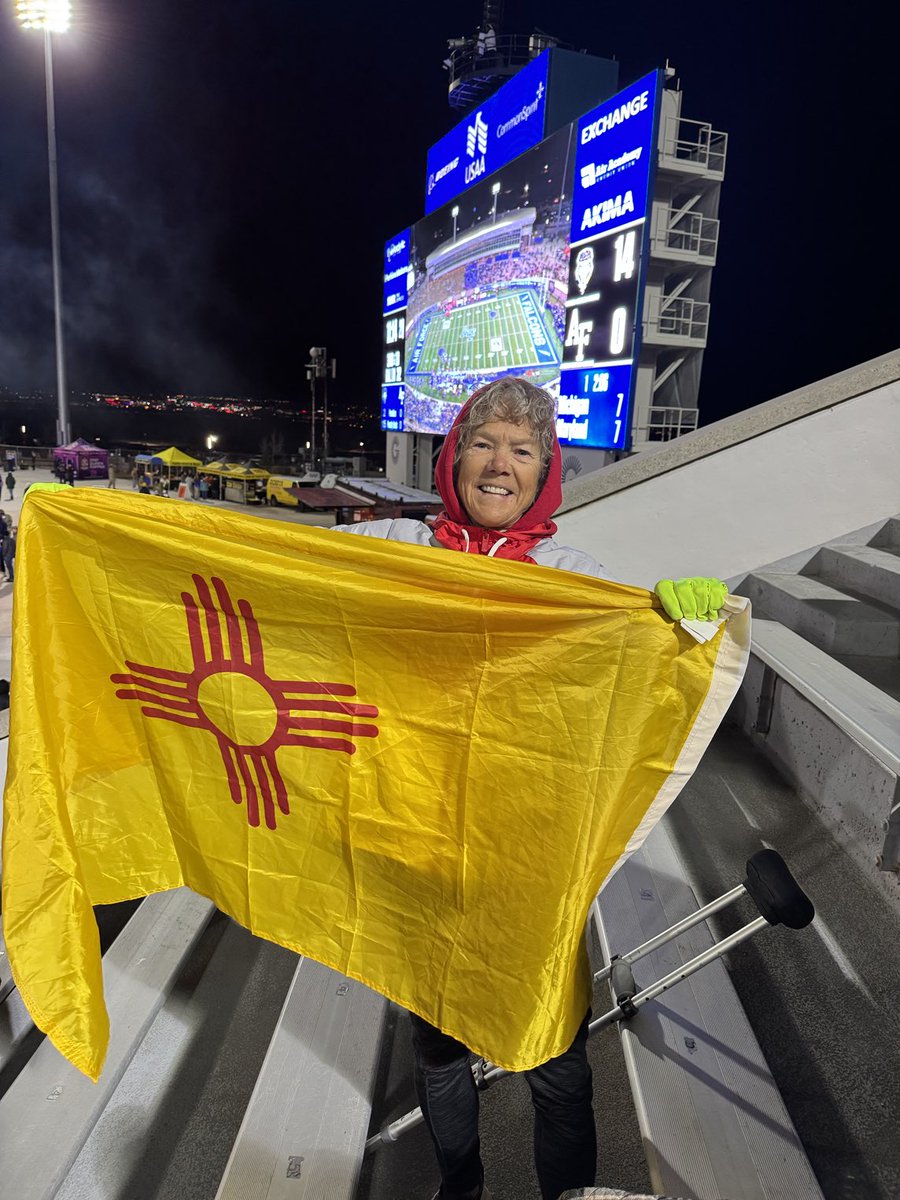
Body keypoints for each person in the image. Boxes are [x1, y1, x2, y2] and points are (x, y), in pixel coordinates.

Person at [331, 377, 725, 1200]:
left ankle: (565, 1196)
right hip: (417, 837)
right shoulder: (400, 543)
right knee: (437, 1041)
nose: (499, 463)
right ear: (453, 459)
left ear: (544, 471)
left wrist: (681, 625)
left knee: (552, 1050)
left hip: (526, 854)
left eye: (522, 449)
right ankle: (462, 1186)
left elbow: (624, 674)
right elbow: (285, 586)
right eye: (482, 442)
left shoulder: (571, 571)